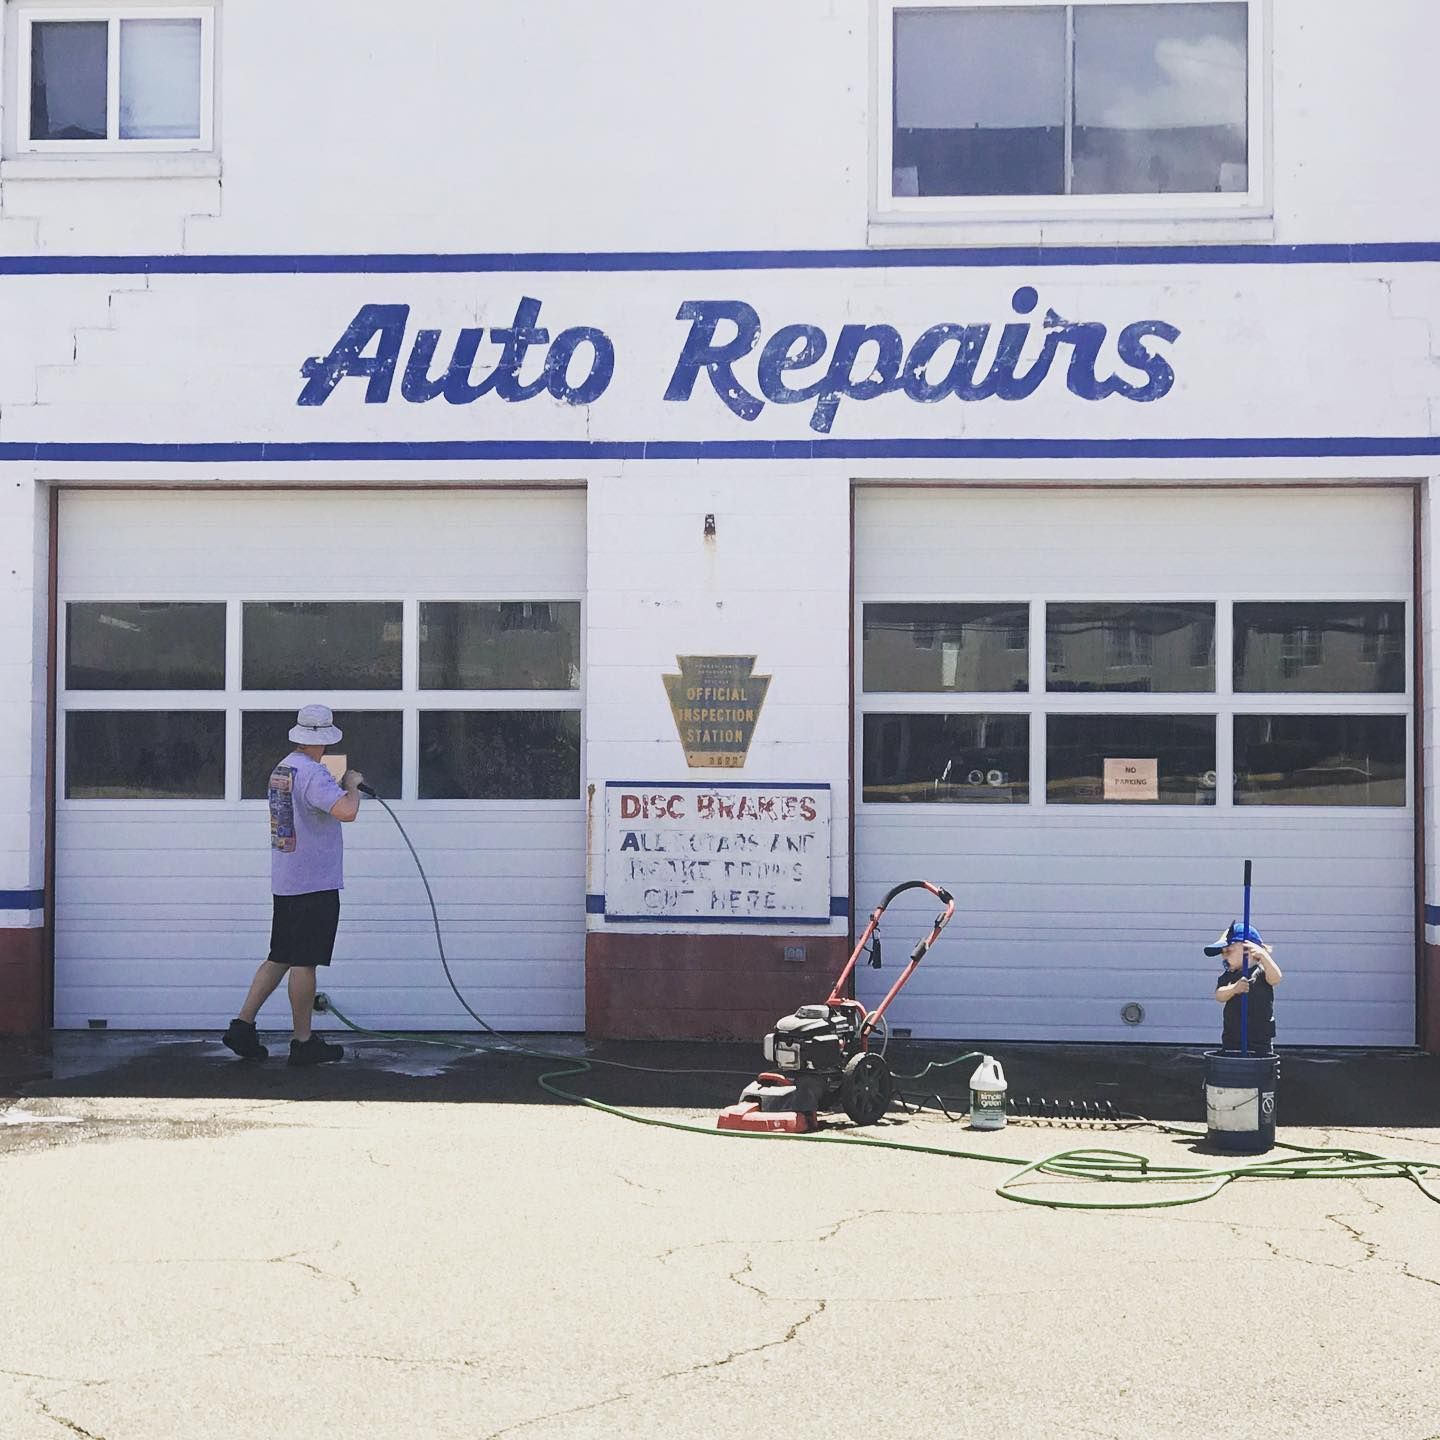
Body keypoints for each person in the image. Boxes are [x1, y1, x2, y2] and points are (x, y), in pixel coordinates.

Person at [222, 704, 364, 1066]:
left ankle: (242, 1025)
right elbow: (347, 812)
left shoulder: (283, 768)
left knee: (280, 955)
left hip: (286, 880)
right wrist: (352, 787)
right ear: (323, 740)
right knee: (305, 962)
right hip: (313, 882)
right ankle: (303, 1042)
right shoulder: (314, 775)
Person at [1206, 921, 1283, 1055]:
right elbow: (1219, 995)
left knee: (1259, 1071)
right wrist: (1234, 989)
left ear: (1249, 949)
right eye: (1222, 953)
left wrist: (1264, 956)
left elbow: (1276, 979)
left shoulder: (1262, 971)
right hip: (1233, 1038)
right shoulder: (1229, 975)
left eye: (1228, 951)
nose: (1224, 956)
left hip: (1260, 1039)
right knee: (1234, 1069)